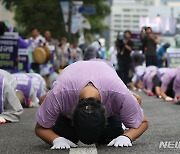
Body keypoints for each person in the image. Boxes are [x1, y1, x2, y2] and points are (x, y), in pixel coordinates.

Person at [35, 60, 148, 149]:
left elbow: (143, 122)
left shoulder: (120, 95)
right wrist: (56, 139)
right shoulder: (59, 94)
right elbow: (40, 127)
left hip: (105, 77)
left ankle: (124, 114)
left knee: (111, 135)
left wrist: (127, 137)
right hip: (73, 75)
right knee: (66, 135)